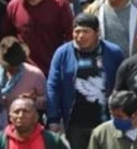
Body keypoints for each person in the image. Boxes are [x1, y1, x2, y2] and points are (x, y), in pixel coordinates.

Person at [46, 13, 124, 147]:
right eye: (77, 31)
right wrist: (53, 118)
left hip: (106, 121)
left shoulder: (113, 52)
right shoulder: (62, 53)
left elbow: (122, 84)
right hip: (75, 124)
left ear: (97, 32)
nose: (80, 36)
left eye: (86, 31)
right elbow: (53, 86)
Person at [1, 0, 73, 75]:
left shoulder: (59, 4)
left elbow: (70, 35)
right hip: (23, 71)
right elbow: (6, 37)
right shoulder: (13, 6)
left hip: (53, 69)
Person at [0, 37, 47, 133]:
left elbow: (47, 101)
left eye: (15, 65)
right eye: (9, 65)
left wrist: (33, 100)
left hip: (27, 126)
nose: (12, 68)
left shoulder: (34, 74)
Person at [0, 97, 68, 149]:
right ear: (10, 117)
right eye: (16, 112)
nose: (21, 115)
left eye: (26, 111)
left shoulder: (52, 141)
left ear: (36, 117)